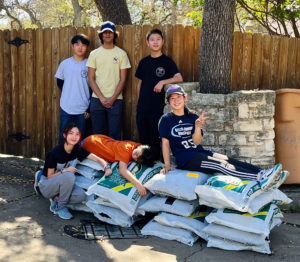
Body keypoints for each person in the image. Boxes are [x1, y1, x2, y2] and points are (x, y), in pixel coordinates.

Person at [158, 85, 289, 191]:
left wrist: (197, 127)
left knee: (229, 160)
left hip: (200, 153)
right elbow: (165, 143)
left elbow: (197, 142)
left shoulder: (192, 117)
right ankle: (259, 178)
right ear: (169, 102)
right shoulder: (166, 120)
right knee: (222, 166)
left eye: (178, 97)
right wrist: (167, 165)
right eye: (172, 98)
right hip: (186, 159)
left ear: (185, 98)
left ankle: (266, 173)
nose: (176, 101)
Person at [34, 123, 112, 220]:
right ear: (64, 135)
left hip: (62, 185)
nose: (74, 137)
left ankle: (56, 199)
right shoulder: (54, 153)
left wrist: (106, 167)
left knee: (81, 196)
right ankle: (59, 207)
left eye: (77, 134)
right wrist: (65, 170)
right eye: (71, 133)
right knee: (69, 175)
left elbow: (96, 159)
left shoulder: (77, 150)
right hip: (47, 184)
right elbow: (50, 176)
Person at [135, 29, 183, 160]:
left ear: (162, 41)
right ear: (147, 43)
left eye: (158, 39)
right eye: (152, 39)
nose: (155, 42)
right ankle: (145, 165)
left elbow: (179, 78)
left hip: (157, 108)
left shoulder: (167, 62)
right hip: (142, 108)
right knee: (143, 140)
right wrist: (139, 102)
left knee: (155, 139)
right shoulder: (143, 62)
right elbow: (140, 84)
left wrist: (162, 81)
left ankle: (156, 164)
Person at [87, 21, 131, 140]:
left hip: (116, 100)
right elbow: (91, 78)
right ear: (101, 35)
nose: (107, 34)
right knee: (98, 135)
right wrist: (101, 98)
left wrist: (112, 99)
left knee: (115, 135)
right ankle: (99, 159)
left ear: (114, 35)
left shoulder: (121, 54)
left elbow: (123, 79)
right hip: (97, 100)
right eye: (104, 32)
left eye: (110, 32)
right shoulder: (94, 54)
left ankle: (114, 159)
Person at [82, 134, 155, 196]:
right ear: (140, 147)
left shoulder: (138, 146)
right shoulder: (126, 149)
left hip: (98, 139)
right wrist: (138, 184)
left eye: (137, 160)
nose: (134, 157)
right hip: (88, 143)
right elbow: (122, 170)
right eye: (136, 154)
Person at [55, 34, 91, 144]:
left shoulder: (89, 64)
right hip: (67, 107)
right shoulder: (65, 64)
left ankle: (76, 161)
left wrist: (89, 109)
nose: (80, 47)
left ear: (87, 48)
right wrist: (70, 93)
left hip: (83, 109)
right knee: (64, 136)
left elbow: (93, 87)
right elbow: (59, 82)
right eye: (77, 44)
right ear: (72, 47)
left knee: (81, 138)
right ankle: (62, 160)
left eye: (83, 45)